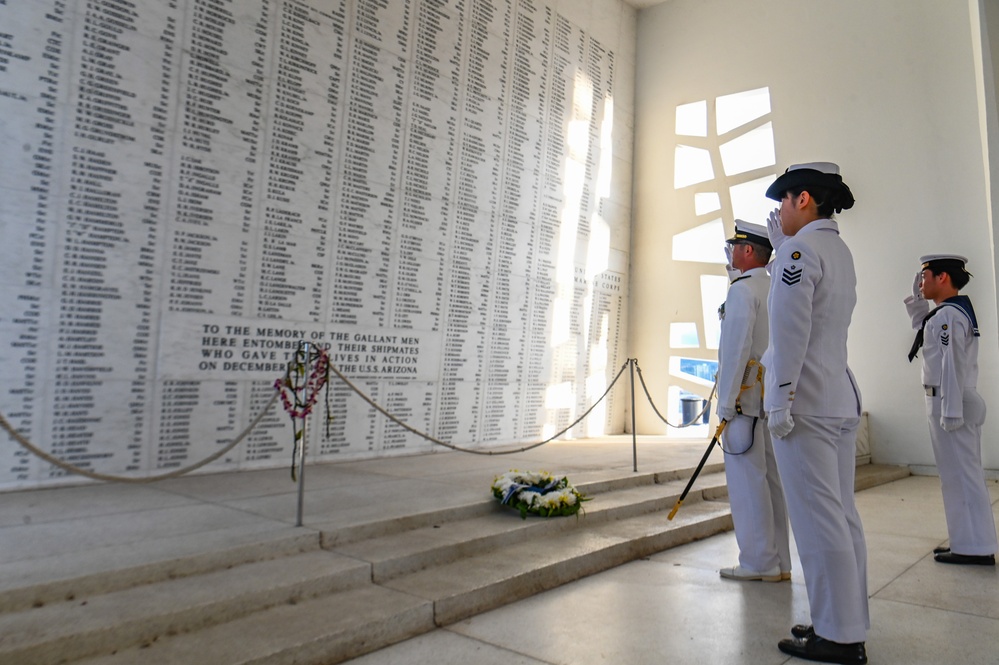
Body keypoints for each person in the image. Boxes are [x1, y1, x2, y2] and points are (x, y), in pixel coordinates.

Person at [763, 162, 869, 665]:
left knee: (818, 521)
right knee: (842, 517)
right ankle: (843, 620)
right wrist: (779, 257)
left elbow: (790, 332)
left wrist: (779, 398)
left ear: (803, 199)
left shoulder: (800, 250)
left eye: (783, 201)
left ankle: (840, 638)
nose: (779, 211)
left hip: (805, 404)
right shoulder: (836, 249)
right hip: (837, 397)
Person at [904, 254, 997, 566]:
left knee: (963, 476)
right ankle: (967, 543)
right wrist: (916, 301)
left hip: (950, 401)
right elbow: (924, 330)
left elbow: (952, 363)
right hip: (948, 400)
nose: (921, 281)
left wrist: (951, 410)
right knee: (955, 476)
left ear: (942, 277)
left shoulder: (949, 316)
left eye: (925, 276)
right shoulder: (945, 314)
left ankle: (977, 546)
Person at [716, 220, 791, 583]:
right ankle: (781, 563)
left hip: (745, 404)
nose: (730, 253)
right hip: (770, 400)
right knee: (772, 483)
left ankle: (759, 562)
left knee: (747, 485)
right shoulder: (773, 285)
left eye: (734, 247)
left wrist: (725, 404)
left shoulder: (742, 291)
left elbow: (735, 351)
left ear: (748, 251)